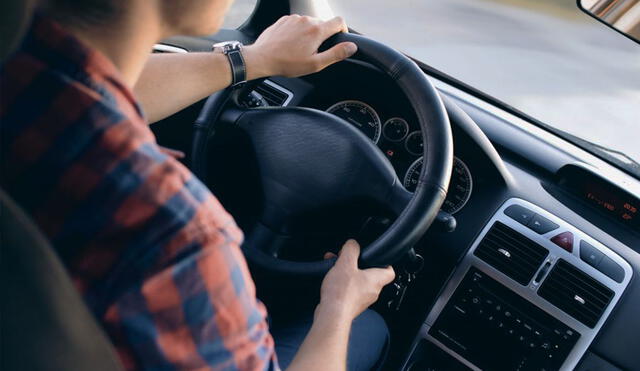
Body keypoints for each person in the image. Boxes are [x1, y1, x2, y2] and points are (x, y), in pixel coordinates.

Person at [0, 0, 396, 370]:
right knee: (368, 328)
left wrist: (252, 60)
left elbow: (98, 88)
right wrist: (338, 307)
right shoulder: (172, 235)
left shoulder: (20, 68)